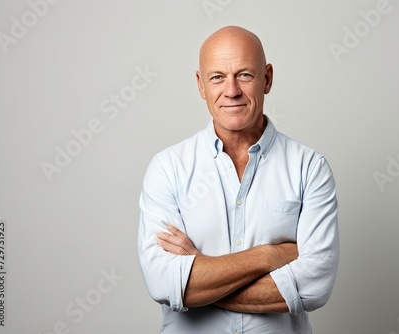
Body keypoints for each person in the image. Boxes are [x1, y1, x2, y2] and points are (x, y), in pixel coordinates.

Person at [138, 25, 339, 334]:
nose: (231, 90)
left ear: (267, 79)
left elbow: (315, 285)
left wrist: (199, 273)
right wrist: (271, 255)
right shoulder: (168, 168)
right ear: (201, 85)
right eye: (217, 77)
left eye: (244, 75)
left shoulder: (309, 167)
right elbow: (164, 283)